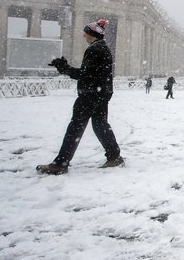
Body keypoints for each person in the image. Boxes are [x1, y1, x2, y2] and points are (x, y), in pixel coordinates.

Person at [37, 19, 123, 174]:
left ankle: (61, 163)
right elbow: (94, 74)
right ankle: (114, 155)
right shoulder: (103, 48)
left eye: (86, 34)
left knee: (75, 127)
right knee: (100, 125)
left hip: (90, 94)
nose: (84, 36)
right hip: (101, 93)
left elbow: (85, 75)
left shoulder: (94, 49)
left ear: (92, 34)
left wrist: (65, 68)